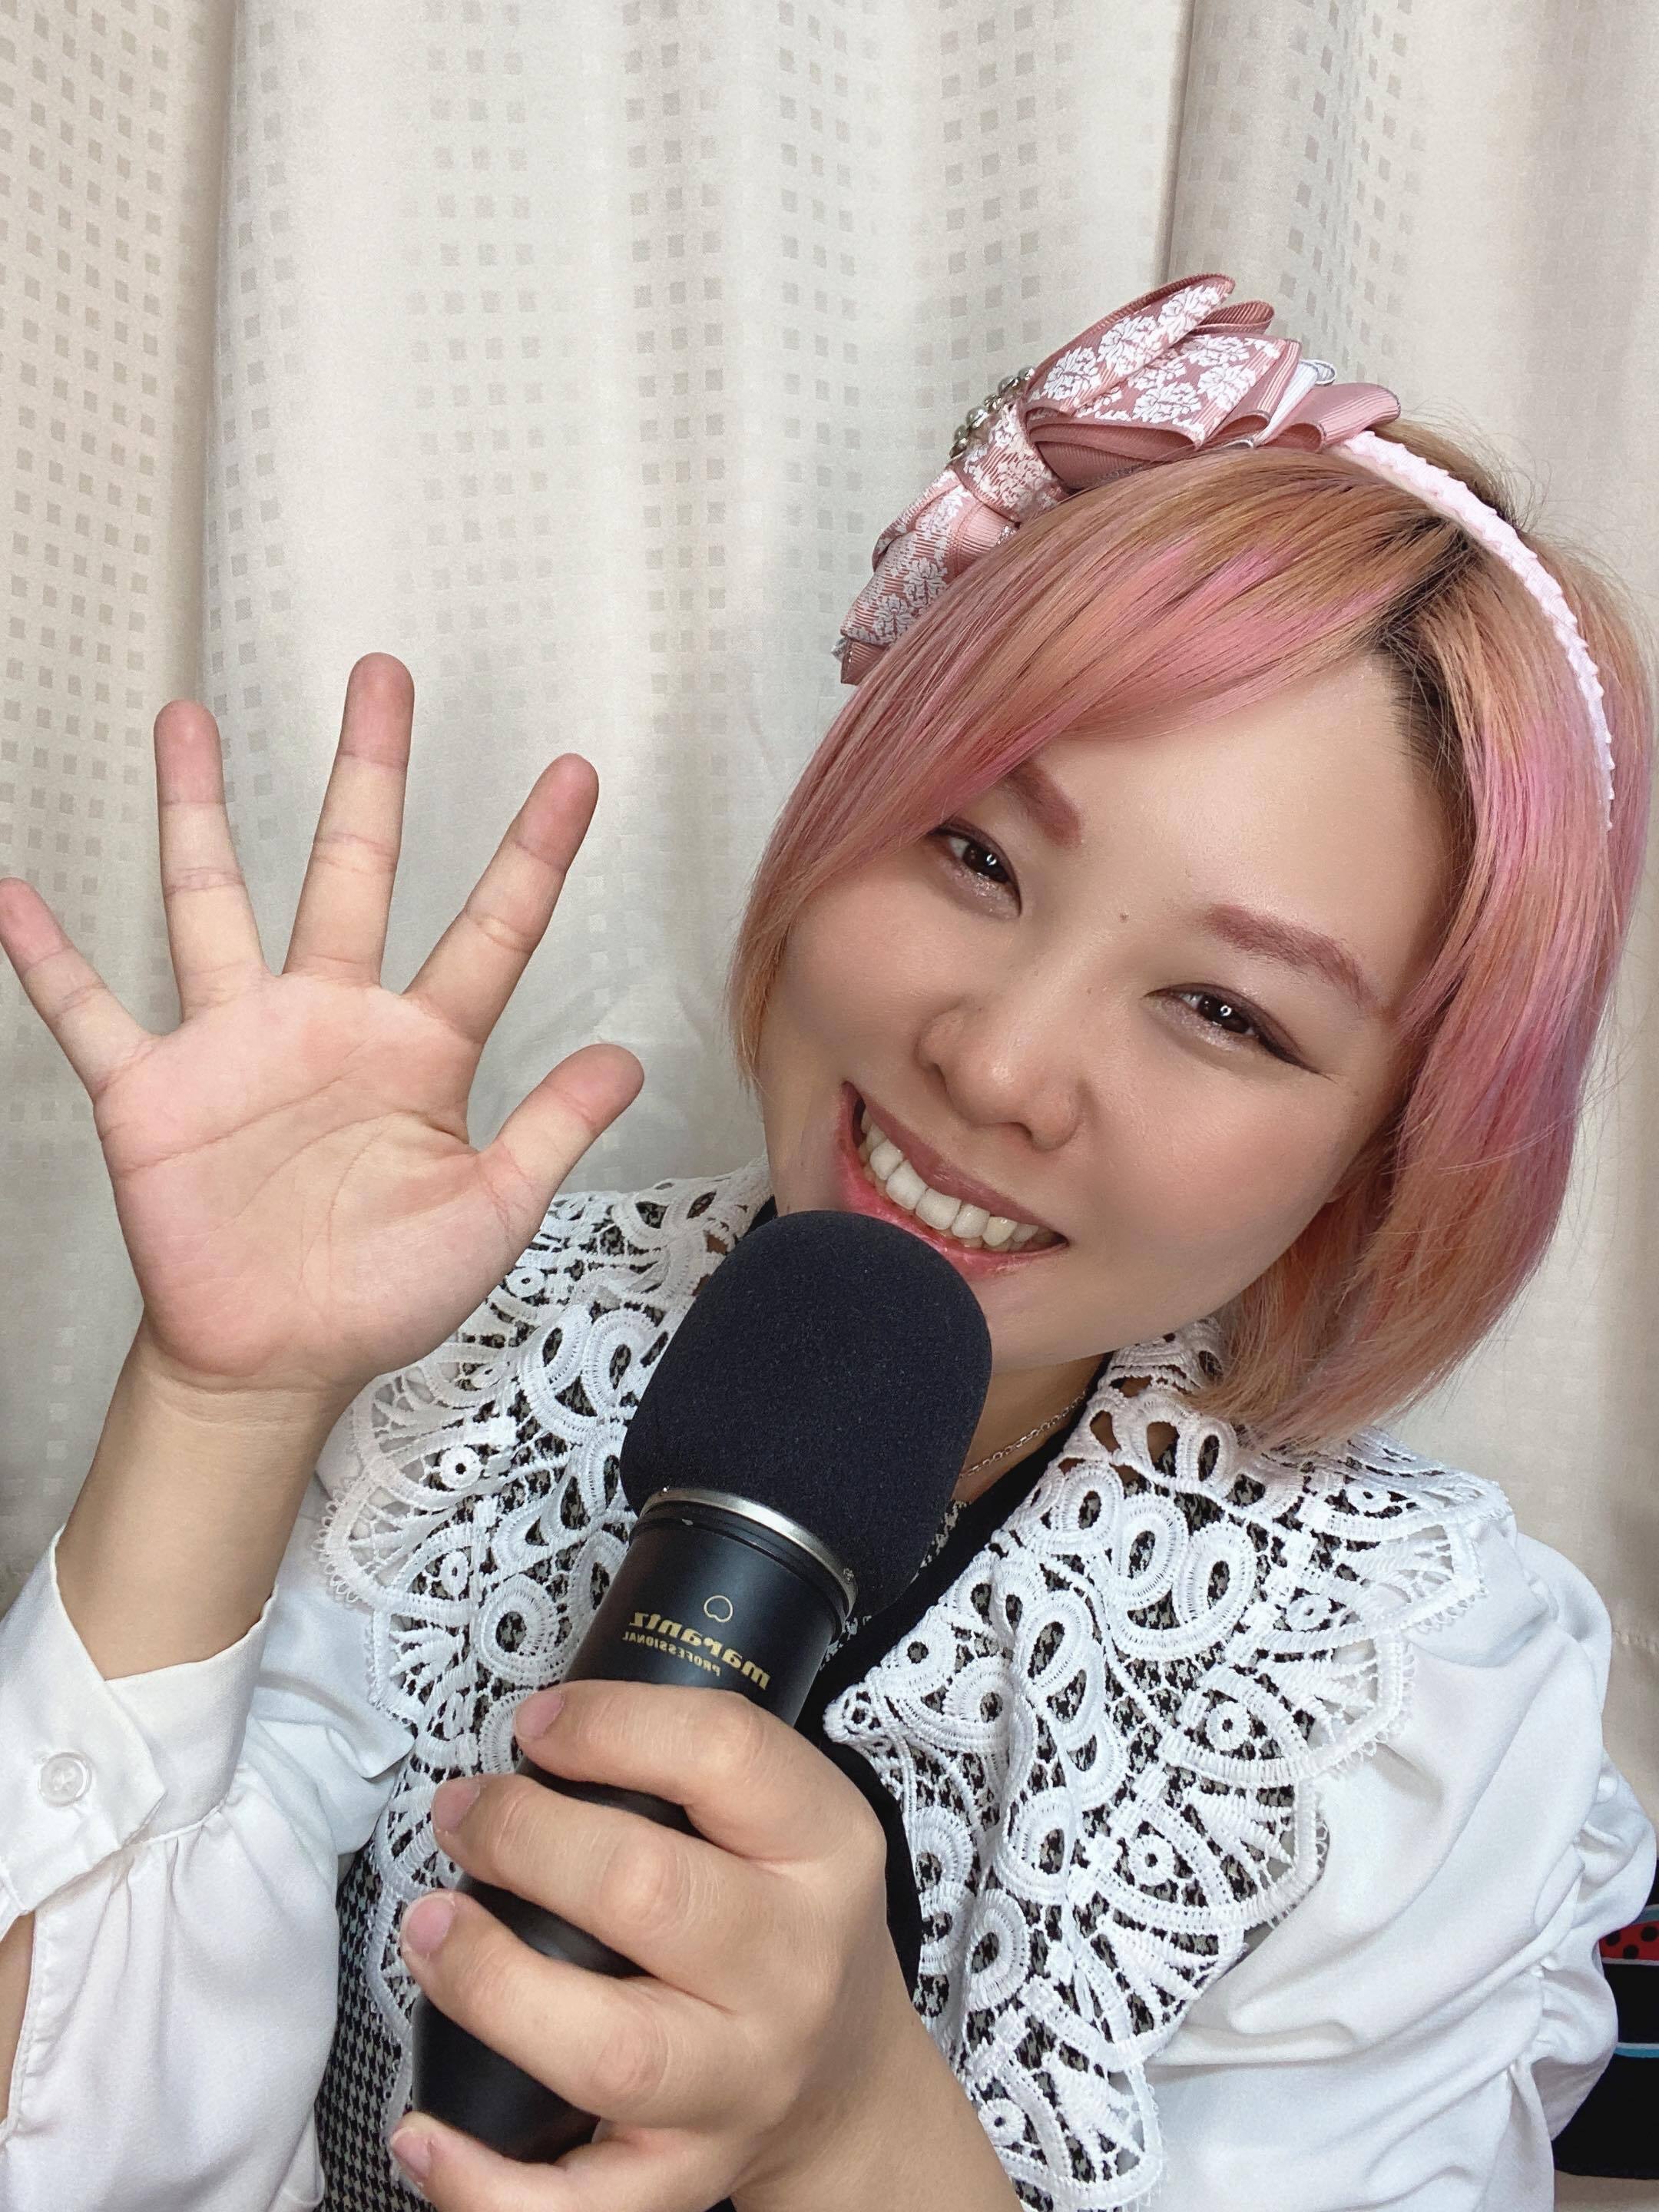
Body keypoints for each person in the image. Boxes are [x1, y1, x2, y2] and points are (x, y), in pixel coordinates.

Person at [0, 272, 1653, 2212]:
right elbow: (90, 2150)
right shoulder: (478, 1354)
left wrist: (860, 2131)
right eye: (976, 852)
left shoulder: (1412, 1702)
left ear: (1390, 1150)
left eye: (1226, 1011)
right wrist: (221, 1402)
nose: (996, 1063)